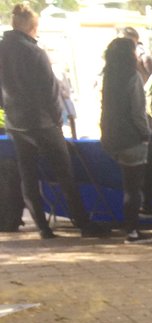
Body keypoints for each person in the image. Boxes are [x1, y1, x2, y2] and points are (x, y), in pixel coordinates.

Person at [0, 3, 108, 239]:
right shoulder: (34, 52)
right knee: (64, 173)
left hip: (16, 122)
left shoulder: (2, 49)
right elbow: (50, 90)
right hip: (42, 122)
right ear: (32, 27)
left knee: (27, 174)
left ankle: (42, 226)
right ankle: (82, 223)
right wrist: (56, 119)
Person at [100, 36, 152, 244]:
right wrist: (145, 133)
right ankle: (132, 230)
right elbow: (138, 111)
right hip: (132, 138)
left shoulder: (109, 75)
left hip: (112, 136)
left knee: (127, 185)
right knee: (133, 188)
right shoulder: (133, 76)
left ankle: (130, 228)